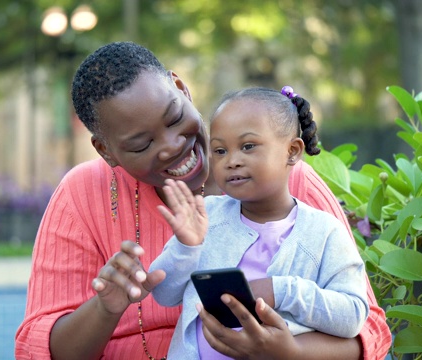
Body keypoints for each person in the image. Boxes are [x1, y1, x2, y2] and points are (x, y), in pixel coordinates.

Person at [14, 41, 391, 360]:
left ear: (182, 88)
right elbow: (37, 348)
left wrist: (288, 350)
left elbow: (369, 327)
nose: (172, 147)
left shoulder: (287, 182)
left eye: (175, 117)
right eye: (141, 144)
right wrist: (106, 308)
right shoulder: (83, 193)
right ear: (106, 150)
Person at [149, 86, 369, 359]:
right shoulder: (206, 217)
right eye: (219, 151)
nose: (232, 161)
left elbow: (353, 315)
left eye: (248, 146)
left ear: (292, 151)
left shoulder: (324, 232)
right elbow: (163, 294)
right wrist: (186, 247)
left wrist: (282, 290)